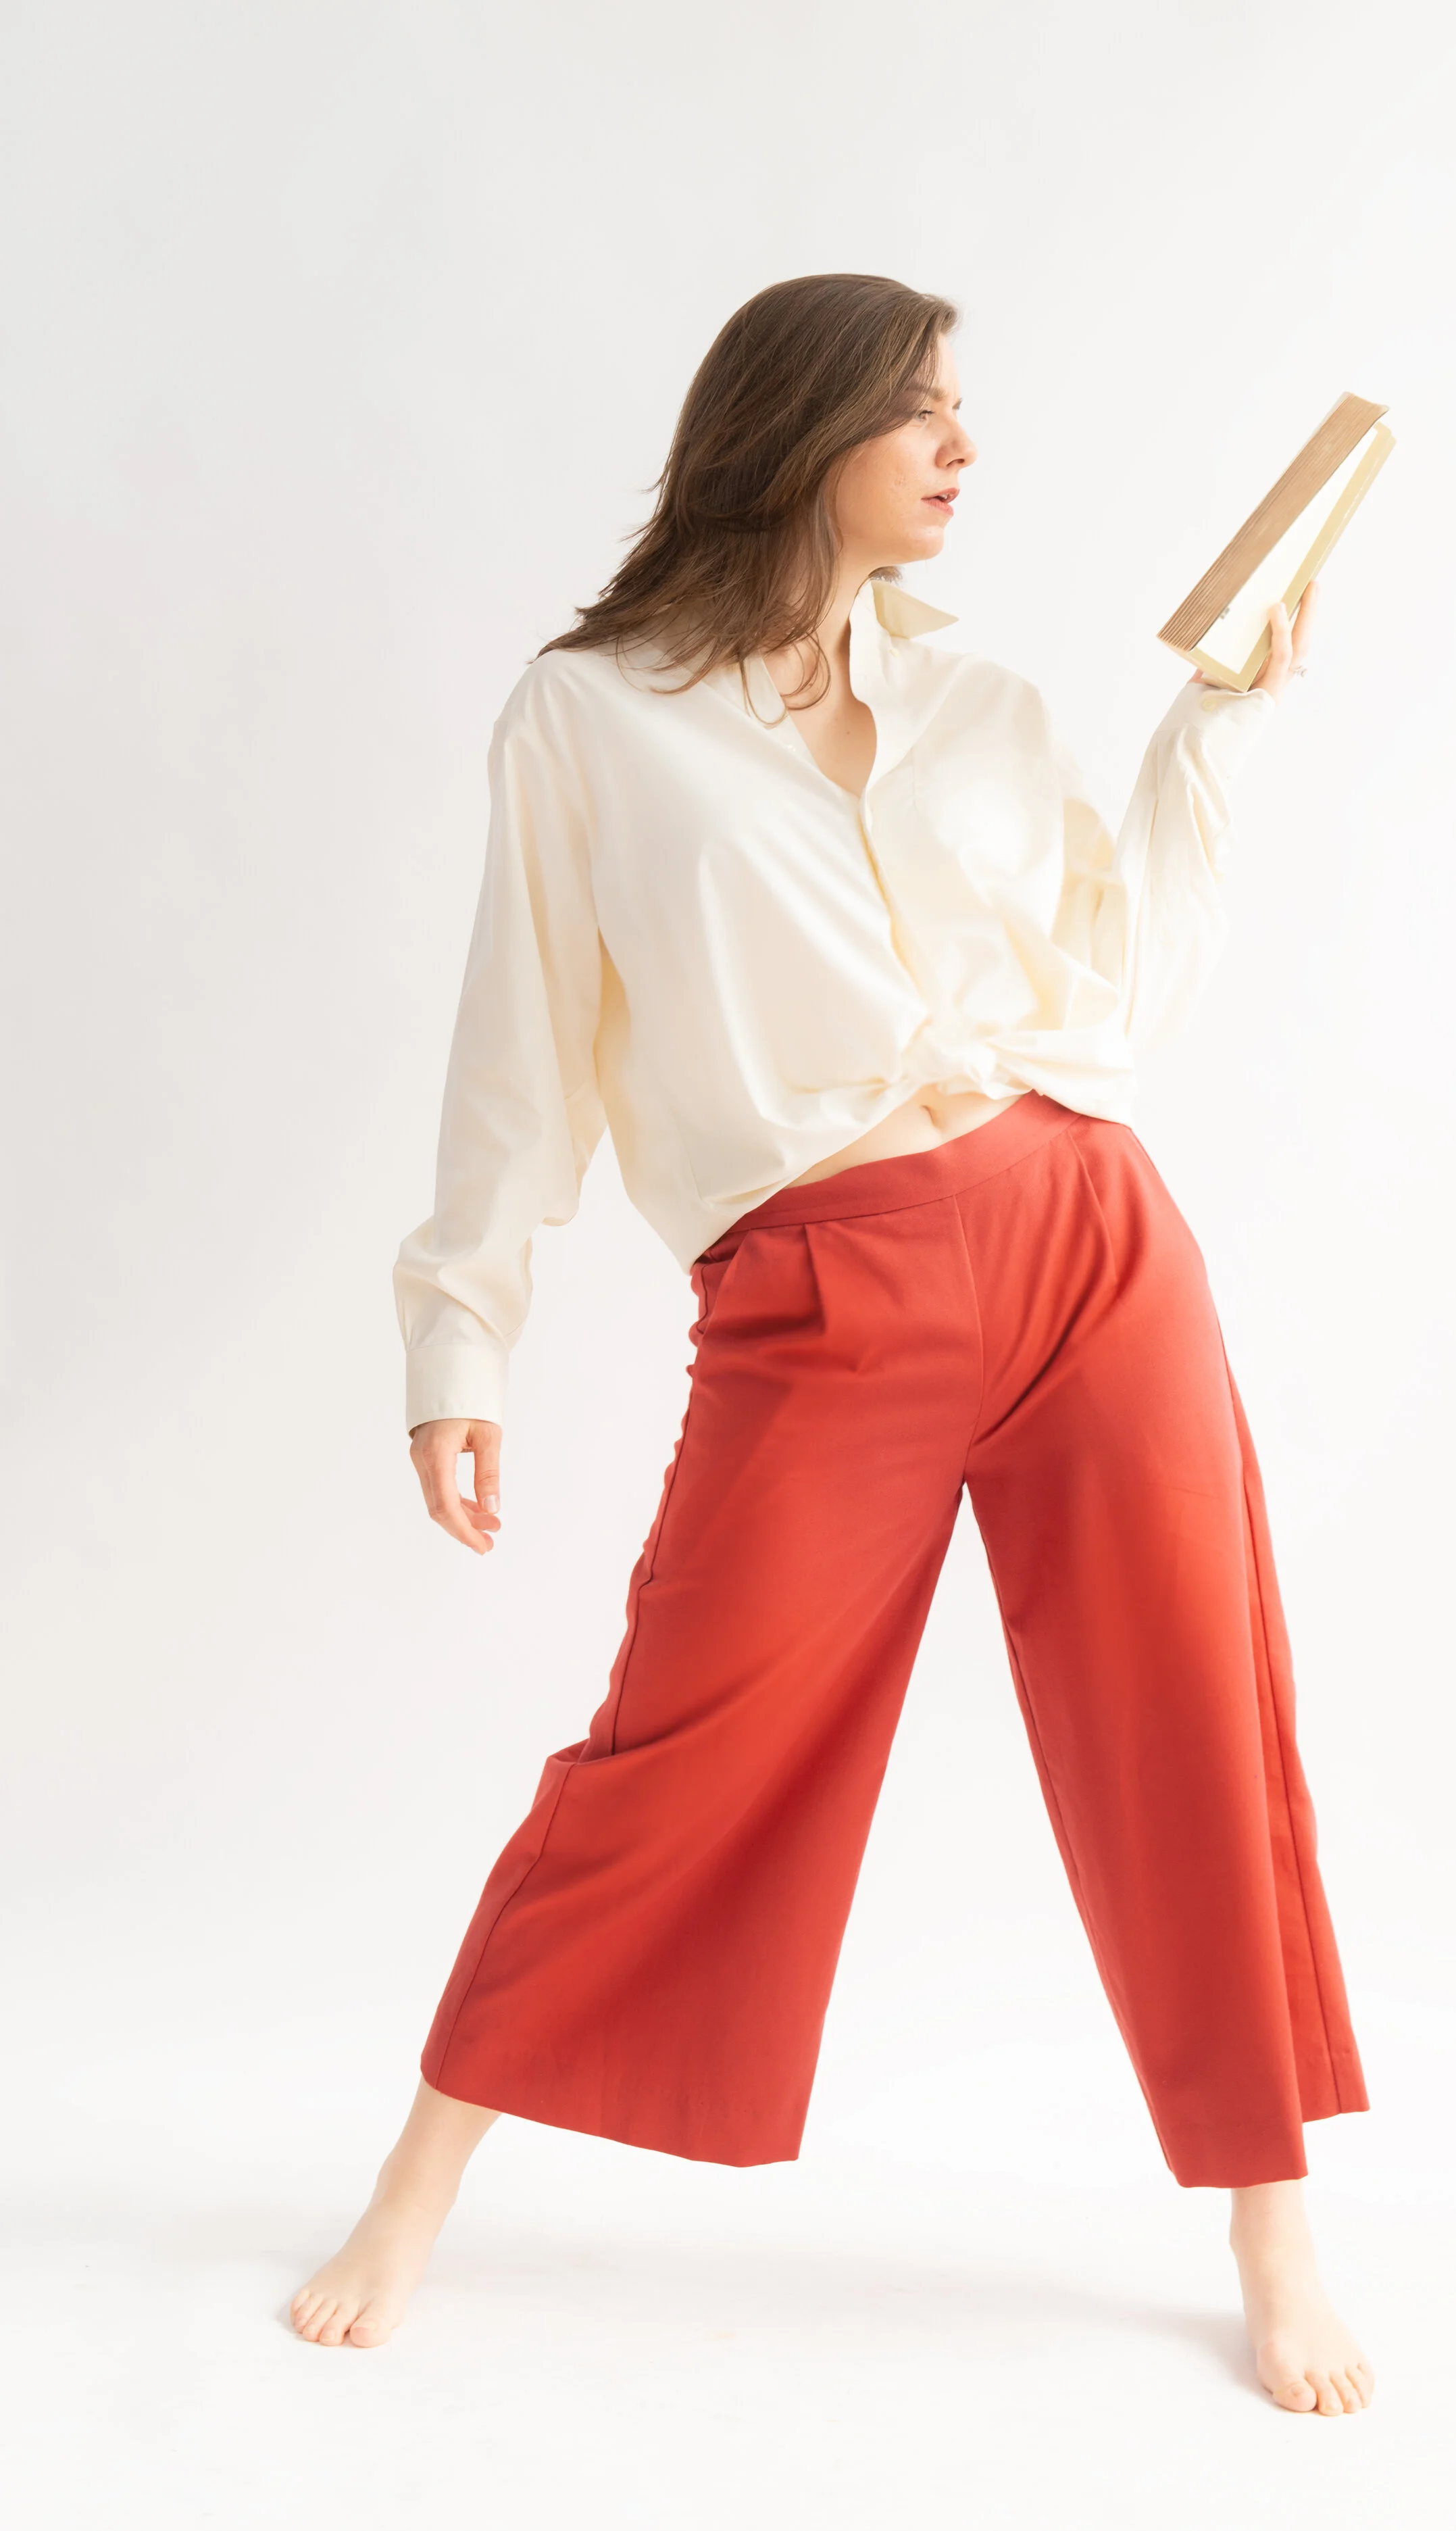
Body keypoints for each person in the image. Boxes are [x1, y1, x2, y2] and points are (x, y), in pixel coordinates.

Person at [291, 274, 1373, 2415]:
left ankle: (1273, 2227)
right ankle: (414, 2189)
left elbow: (1118, 1001)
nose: (962, 450)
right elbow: (519, 1047)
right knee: (676, 1742)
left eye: (962, 411)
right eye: (919, 414)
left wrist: (1216, 725)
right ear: (800, 432)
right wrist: (459, 1339)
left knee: (1195, 1713)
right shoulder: (591, 716)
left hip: (1090, 1239)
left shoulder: (981, 704)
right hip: (819, 1282)